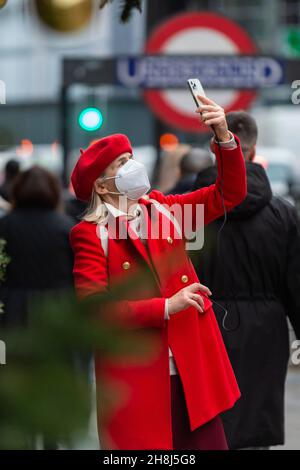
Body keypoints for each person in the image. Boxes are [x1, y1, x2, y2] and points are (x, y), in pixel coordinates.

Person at [69, 95, 247, 450]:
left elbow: (228, 194)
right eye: (121, 163)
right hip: (137, 374)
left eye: (130, 157)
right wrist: (165, 306)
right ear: (102, 186)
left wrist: (224, 138)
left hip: (191, 364)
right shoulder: (91, 233)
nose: (133, 166)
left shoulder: (162, 210)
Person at [192, 110, 300, 450]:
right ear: (252, 151)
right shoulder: (283, 214)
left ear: (215, 149)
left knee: (210, 428)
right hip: (266, 330)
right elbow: (295, 282)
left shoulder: (192, 210)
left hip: (204, 323)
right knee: (255, 423)